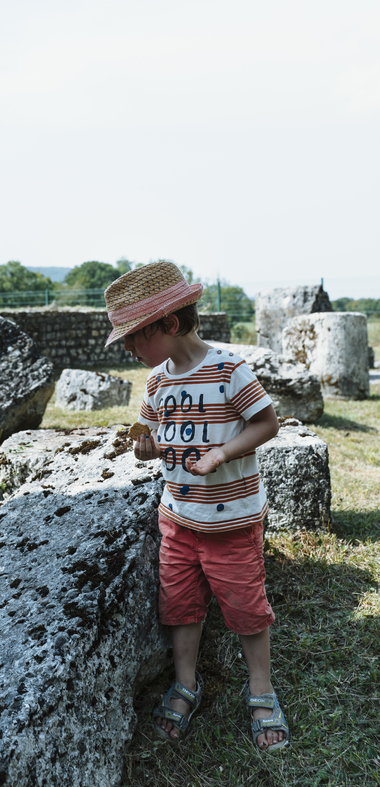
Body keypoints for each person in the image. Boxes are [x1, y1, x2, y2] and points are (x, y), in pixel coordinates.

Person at [104, 260, 290, 751]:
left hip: (231, 520)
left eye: (135, 337)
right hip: (179, 519)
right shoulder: (157, 383)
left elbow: (267, 424)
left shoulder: (229, 369)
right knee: (180, 605)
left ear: (168, 324)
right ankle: (187, 682)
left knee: (246, 606)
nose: (129, 348)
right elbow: (150, 434)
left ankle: (261, 687)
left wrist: (225, 452)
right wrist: (145, 445)